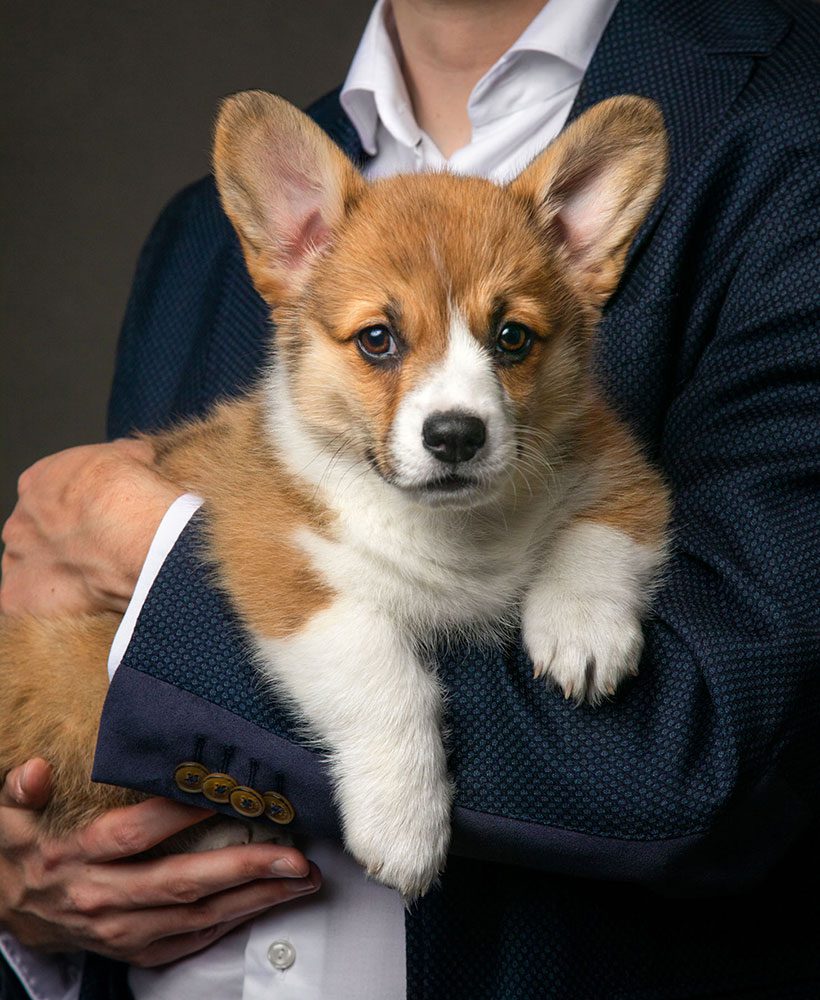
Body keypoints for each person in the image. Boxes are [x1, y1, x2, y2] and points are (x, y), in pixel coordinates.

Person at [2, 0, 819, 997]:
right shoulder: (193, 239)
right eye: (380, 344)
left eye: (510, 339)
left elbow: (708, 763)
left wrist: (155, 549)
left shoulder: (786, 138)